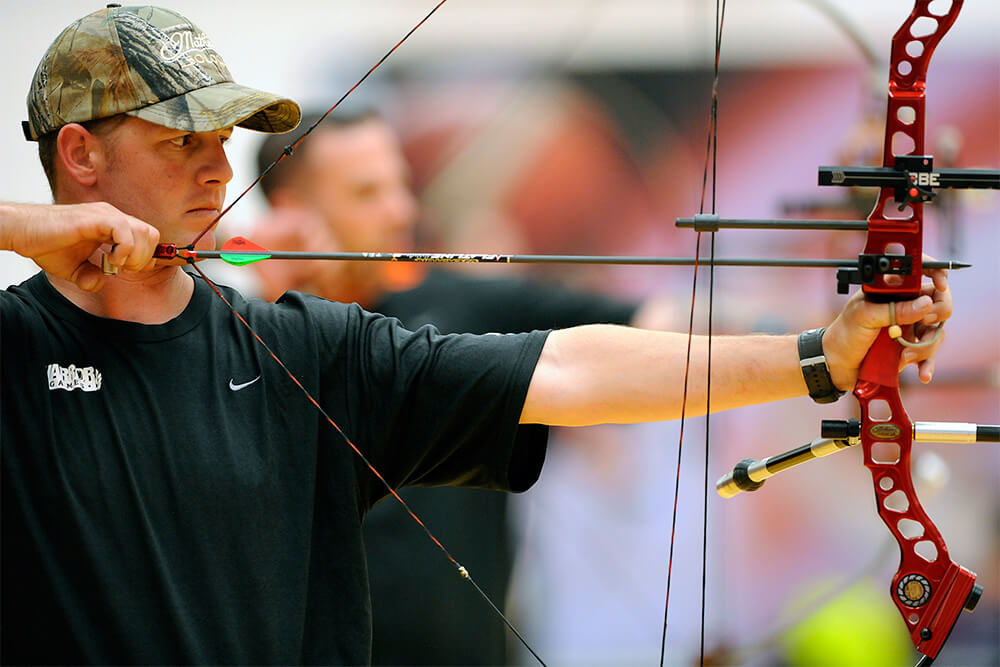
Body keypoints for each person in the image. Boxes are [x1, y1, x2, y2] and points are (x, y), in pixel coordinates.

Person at [0, 5, 951, 666]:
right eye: (181, 141)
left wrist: (821, 355)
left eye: (221, 140)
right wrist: (26, 229)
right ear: (79, 154)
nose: (215, 169)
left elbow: (568, 369)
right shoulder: (14, 348)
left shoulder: (304, 352)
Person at [252, 109, 674, 665]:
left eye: (402, 186)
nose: (401, 211)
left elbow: (655, 325)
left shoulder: (462, 305)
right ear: (292, 213)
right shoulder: (242, 343)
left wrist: (785, 344)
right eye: (367, 192)